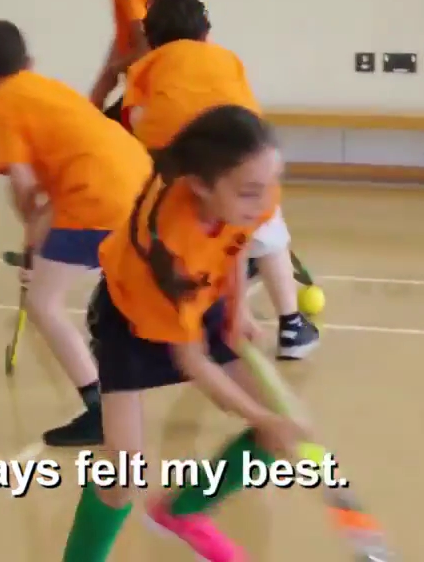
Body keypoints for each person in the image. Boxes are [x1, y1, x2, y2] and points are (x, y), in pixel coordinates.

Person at [61, 105, 309, 562]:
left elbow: (238, 240)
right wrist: (258, 416)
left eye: (271, 183)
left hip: (199, 298)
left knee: (281, 423)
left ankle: (182, 510)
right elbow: (192, 360)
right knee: (123, 476)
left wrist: (237, 308)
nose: (265, 201)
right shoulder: (171, 245)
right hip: (133, 320)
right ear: (200, 186)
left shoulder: (249, 197)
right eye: (250, 191)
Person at [0, 19, 152, 447]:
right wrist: (38, 233)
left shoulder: (1, 102)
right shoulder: (49, 89)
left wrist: (33, 233)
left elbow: (23, 183)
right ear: (29, 62)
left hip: (98, 197)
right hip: (140, 182)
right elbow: (58, 176)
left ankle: (100, 411)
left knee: (44, 302)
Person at [125, 0, 320, 360]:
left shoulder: (145, 67)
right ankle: (292, 326)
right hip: (241, 158)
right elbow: (247, 114)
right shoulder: (226, 58)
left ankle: (194, 308)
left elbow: (137, 121)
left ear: (150, 39)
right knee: (269, 234)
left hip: (180, 169)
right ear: (206, 32)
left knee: (196, 237)